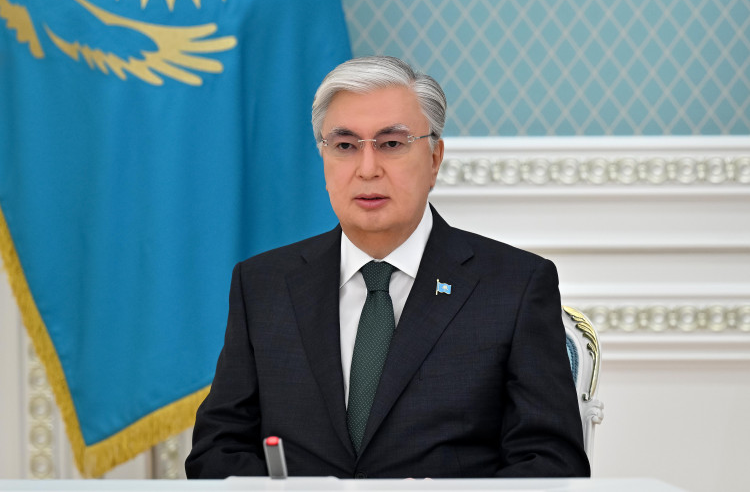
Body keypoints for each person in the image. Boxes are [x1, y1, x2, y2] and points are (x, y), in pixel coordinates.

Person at [185, 56, 590, 479]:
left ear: (434, 159)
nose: (367, 169)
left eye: (391, 144)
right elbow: (217, 450)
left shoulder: (514, 286)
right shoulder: (263, 284)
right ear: (324, 159)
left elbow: (550, 464)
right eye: (345, 146)